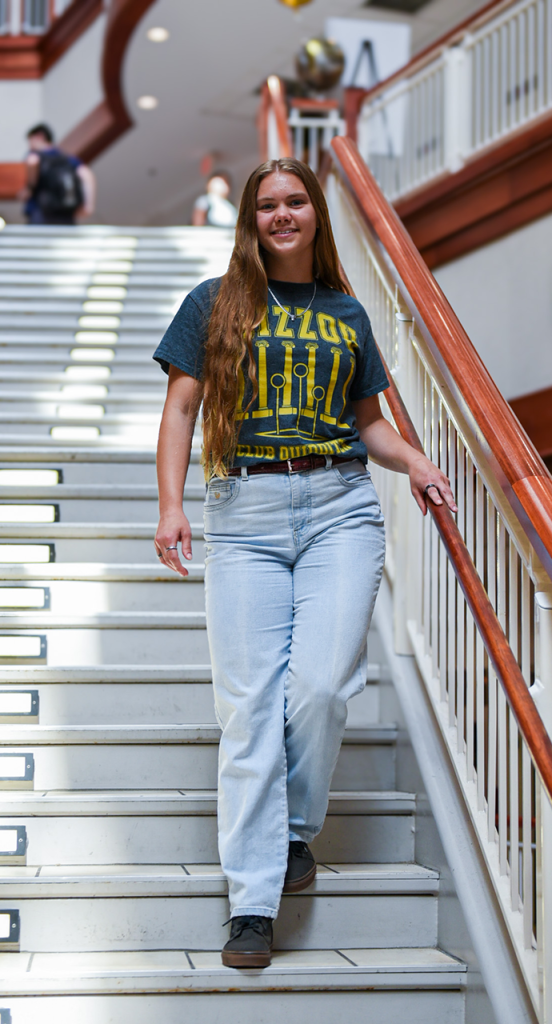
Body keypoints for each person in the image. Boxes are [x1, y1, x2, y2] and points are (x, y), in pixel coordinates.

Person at [153, 157, 456, 969]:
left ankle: (290, 831)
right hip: (244, 513)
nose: (281, 215)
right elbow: (182, 405)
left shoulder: (348, 313)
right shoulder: (213, 304)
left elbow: (372, 425)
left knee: (321, 686)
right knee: (252, 706)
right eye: (267, 206)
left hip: (341, 509)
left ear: (316, 214)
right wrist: (173, 505)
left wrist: (417, 463)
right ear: (251, 221)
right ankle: (251, 903)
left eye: (294, 202)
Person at [21, 124, 96, 226]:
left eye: (30, 141)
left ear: (40, 136)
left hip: (41, 213)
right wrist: (88, 206)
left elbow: (32, 162)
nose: (30, 145)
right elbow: (87, 174)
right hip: (66, 212)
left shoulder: (35, 154)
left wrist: (29, 188)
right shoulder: (67, 158)